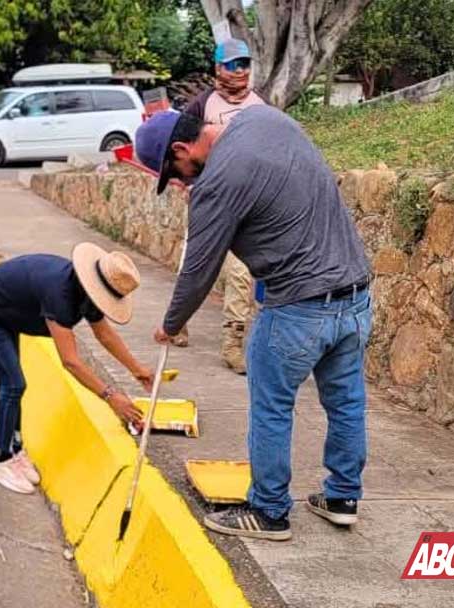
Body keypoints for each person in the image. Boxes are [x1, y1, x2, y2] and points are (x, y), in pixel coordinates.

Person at [136, 108, 372, 541]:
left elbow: (199, 270)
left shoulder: (215, 183)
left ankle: (268, 511)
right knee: (347, 402)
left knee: (272, 406)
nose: (180, 184)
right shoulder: (268, 121)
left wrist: (171, 325)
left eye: (174, 173)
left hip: (297, 308)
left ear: (181, 150)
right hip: (355, 296)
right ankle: (342, 496)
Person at [0, 243, 155, 495]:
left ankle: (15, 450)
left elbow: (104, 335)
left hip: (5, 314)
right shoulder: (60, 293)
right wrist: (110, 397)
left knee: (14, 384)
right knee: (13, 384)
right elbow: (70, 361)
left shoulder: (87, 289)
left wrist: (136, 368)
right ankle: (0, 460)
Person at [183, 38, 266, 374]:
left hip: (246, 205)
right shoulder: (201, 105)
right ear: (218, 68)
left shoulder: (261, 106)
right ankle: (178, 321)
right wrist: (190, 184)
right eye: (233, 64)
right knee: (194, 263)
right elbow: (183, 149)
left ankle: (233, 343)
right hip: (209, 201)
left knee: (241, 274)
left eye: (244, 63)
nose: (240, 71)